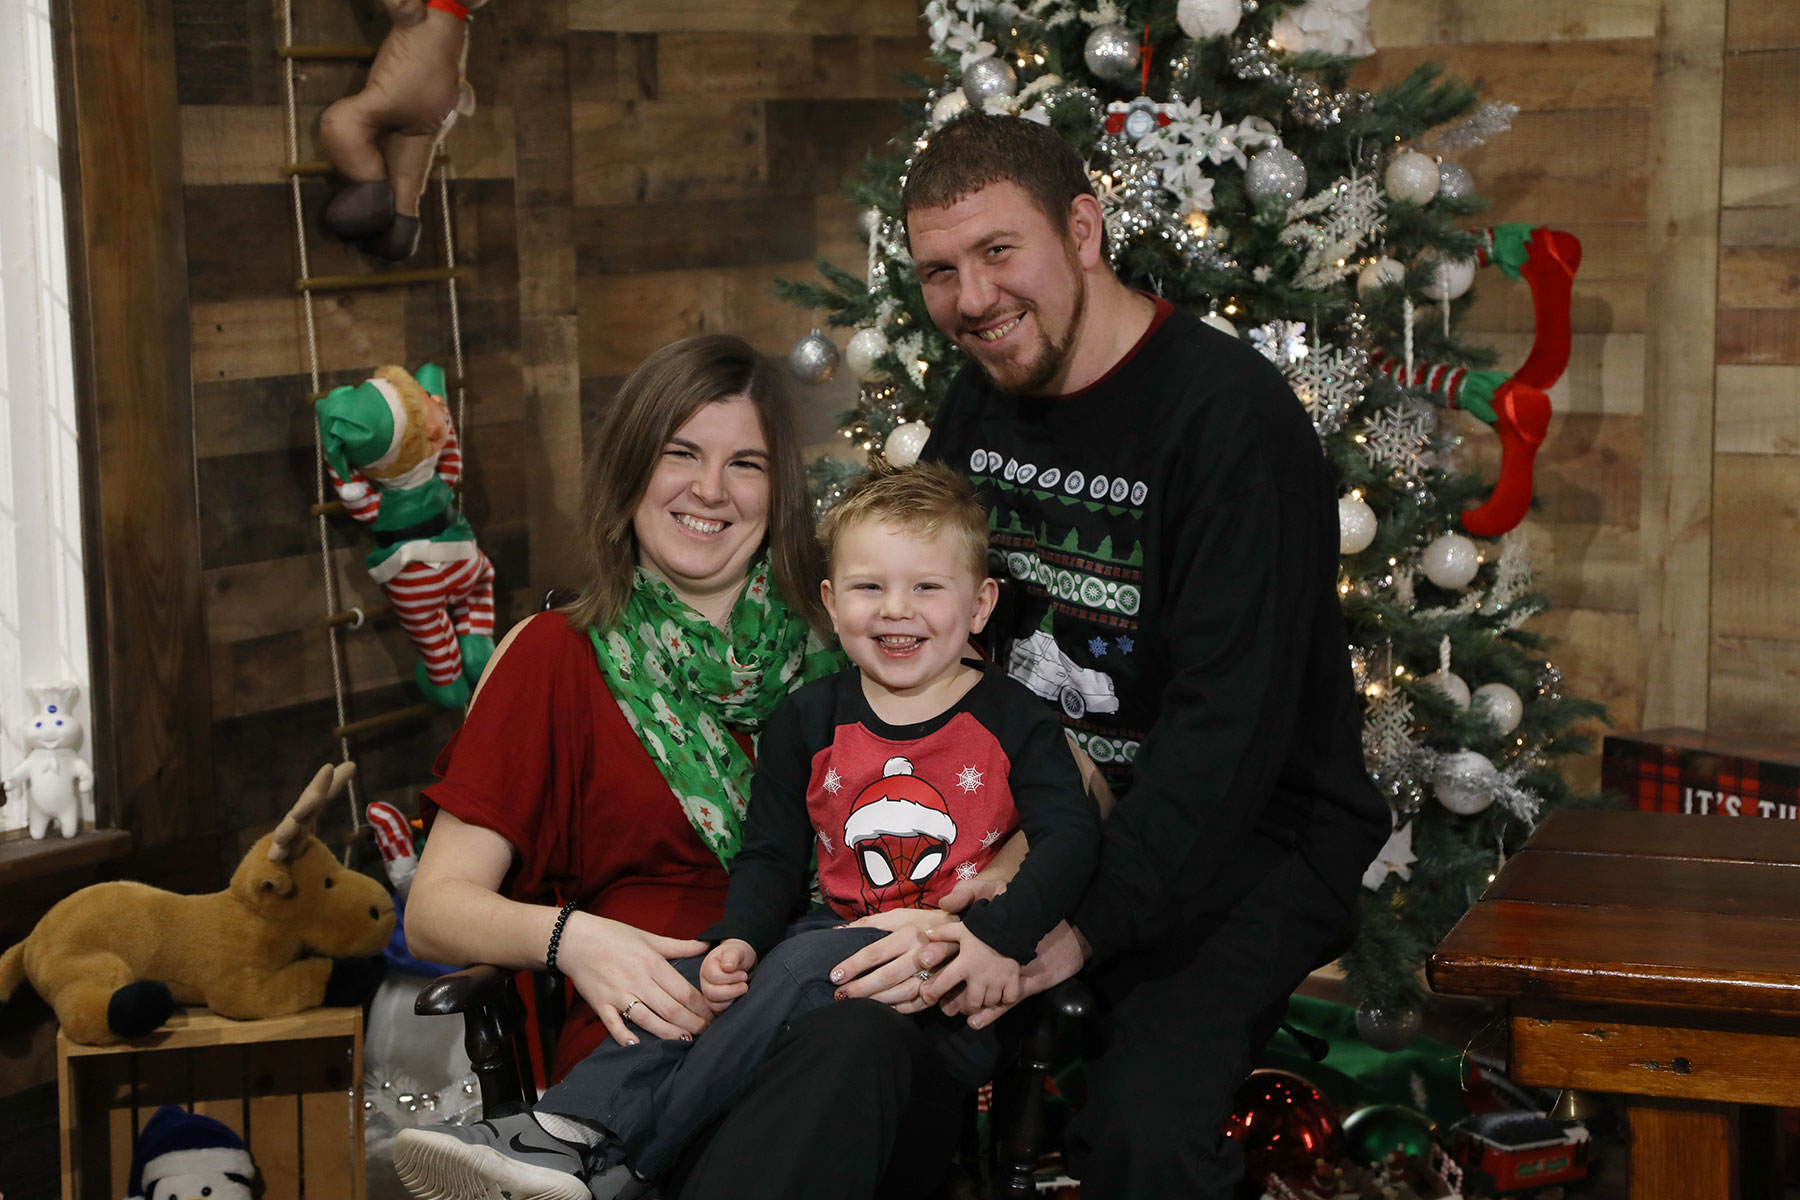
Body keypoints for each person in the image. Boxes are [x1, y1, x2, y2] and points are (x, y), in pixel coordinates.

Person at [883, 112, 1392, 1199]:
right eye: (939, 271)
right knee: (876, 1055)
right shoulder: (980, 398)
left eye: (997, 252)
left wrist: (1075, 925)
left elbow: (1230, 735)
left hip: (1247, 836)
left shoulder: (1228, 421)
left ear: (1083, 230)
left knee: (1139, 1138)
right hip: (1040, 820)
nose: (971, 300)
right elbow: (926, 616)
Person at [404, 460, 1101, 1197]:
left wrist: (1000, 937)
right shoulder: (809, 718)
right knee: (692, 976)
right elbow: (770, 854)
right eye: (871, 587)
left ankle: (627, 1163)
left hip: (944, 997)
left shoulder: (1012, 719)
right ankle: (564, 1126)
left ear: (980, 603)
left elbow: (1072, 836)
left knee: (800, 965)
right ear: (832, 602)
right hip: (822, 953)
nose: (899, 610)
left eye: (928, 587)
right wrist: (737, 939)